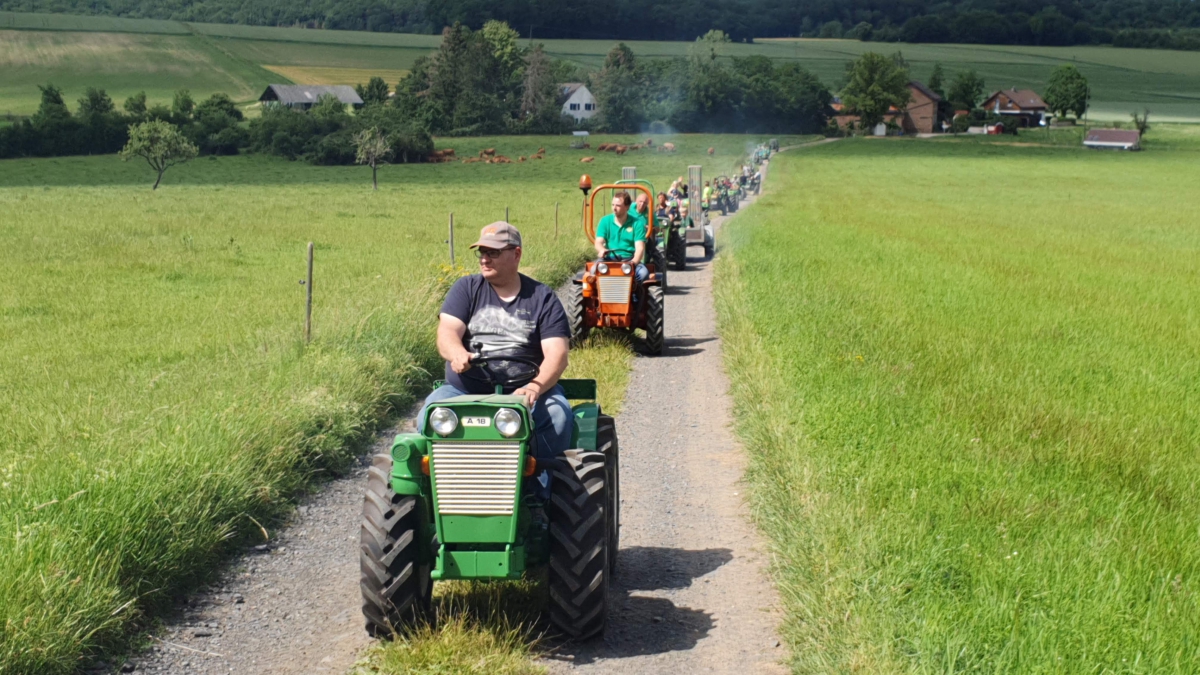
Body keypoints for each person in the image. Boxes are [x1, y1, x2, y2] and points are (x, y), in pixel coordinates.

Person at [421, 222, 572, 464]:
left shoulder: (542, 298)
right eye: (482, 252)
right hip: (466, 389)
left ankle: (544, 487)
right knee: (428, 416)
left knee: (557, 416)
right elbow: (447, 333)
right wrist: (458, 353)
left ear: (516, 254)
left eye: (493, 253)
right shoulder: (466, 289)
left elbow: (557, 354)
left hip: (527, 391)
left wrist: (535, 387)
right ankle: (445, 487)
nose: (484, 259)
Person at [594, 192, 648, 292]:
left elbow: (640, 248)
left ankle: (634, 296)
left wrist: (633, 263)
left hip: (629, 259)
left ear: (627, 207)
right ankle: (597, 300)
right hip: (609, 258)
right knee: (592, 273)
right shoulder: (605, 221)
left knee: (643, 274)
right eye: (613, 205)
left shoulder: (637, 224)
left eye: (618, 205)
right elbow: (598, 242)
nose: (614, 208)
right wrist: (602, 249)